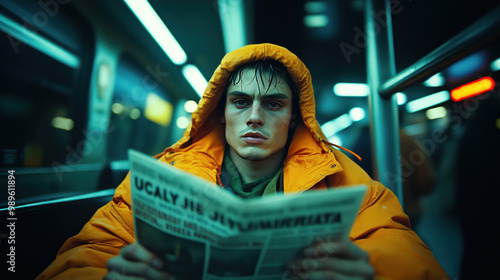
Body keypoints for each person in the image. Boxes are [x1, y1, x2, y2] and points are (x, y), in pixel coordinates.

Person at [37, 43, 448, 279]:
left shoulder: (347, 182)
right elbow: (84, 256)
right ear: (222, 112)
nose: (254, 116)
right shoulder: (162, 175)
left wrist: (369, 271)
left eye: (272, 104)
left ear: (293, 119)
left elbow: (410, 257)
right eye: (240, 102)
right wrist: (112, 276)